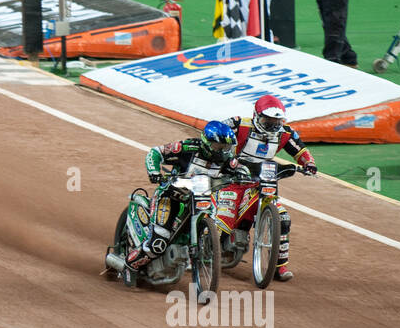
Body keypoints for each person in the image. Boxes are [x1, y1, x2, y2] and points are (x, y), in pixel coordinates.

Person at [220, 95, 317, 282]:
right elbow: (214, 137)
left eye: (277, 121)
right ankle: (203, 252)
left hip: (265, 180)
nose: (273, 125)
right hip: (234, 180)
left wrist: (309, 163)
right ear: (256, 116)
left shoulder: (285, 133)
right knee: (223, 218)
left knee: (283, 220)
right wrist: (227, 159)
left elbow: (300, 150)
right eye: (268, 120)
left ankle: (279, 267)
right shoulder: (239, 124)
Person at [125, 121, 241, 270]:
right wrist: (154, 173)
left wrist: (244, 174)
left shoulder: (227, 159)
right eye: (219, 147)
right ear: (207, 142)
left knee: (213, 236)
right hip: (171, 198)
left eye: (226, 147)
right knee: (157, 244)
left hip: (201, 200)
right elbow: (156, 152)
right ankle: (127, 266)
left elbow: (240, 168)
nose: (223, 151)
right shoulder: (187, 147)